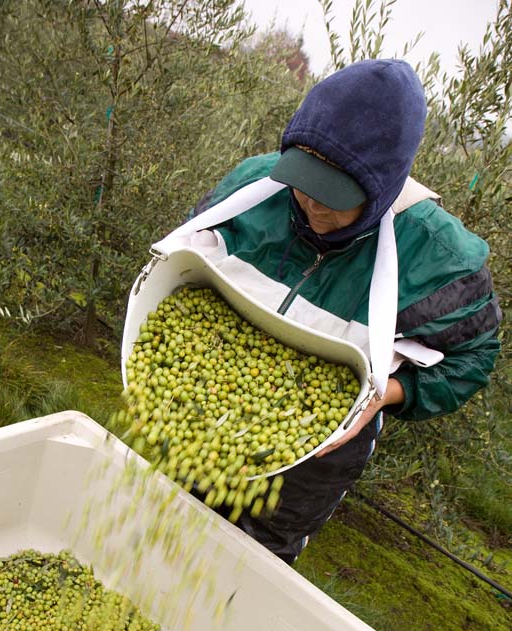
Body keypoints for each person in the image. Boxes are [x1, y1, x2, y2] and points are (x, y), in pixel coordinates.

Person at [183, 58, 501, 564]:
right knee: (155, 517)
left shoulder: (439, 259)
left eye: (334, 196)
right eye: (302, 181)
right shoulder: (254, 187)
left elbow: (474, 359)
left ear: (382, 189)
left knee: (243, 568)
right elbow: (184, 260)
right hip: (195, 416)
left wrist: (388, 395)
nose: (312, 204)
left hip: (307, 464)